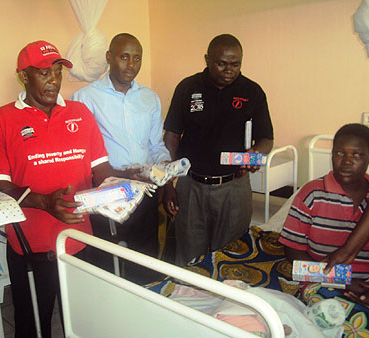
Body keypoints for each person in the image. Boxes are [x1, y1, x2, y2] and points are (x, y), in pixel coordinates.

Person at [0, 40, 142, 338]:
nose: (53, 79)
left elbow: (101, 170)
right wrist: (43, 202)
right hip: (31, 246)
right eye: (43, 72)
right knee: (33, 326)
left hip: (80, 241)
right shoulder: (0, 121)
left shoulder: (80, 114)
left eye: (57, 71)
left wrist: (127, 180)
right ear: (23, 76)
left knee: (80, 321)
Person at [163, 34, 274, 266]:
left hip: (234, 188)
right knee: (189, 257)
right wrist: (168, 183)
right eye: (221, 63)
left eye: (235, 64)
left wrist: (257, 153)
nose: (228, 70)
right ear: (207, 59)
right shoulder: (187, 87)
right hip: (191, 186)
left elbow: (266, 138)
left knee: (231, 256)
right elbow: (172, 136)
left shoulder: (252, 91)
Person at [71, 33, 171, 283]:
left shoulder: (149, 97)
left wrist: (166, 167)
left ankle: (144, 308)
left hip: (144, 192)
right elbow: (82, 154)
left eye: (137, 58)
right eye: (124, 57)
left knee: (145, 261)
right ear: (109, 57)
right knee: (105, 263)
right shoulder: (85, 98)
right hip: (106, 195)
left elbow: (155, 144)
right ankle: (109, 315)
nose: (131, 65)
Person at [279, 123, 369, 306]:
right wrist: (340, 280)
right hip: (322, 282)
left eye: (357, 155)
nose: (347, 161)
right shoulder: (312, 194)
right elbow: (292, 251)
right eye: (339, 153)